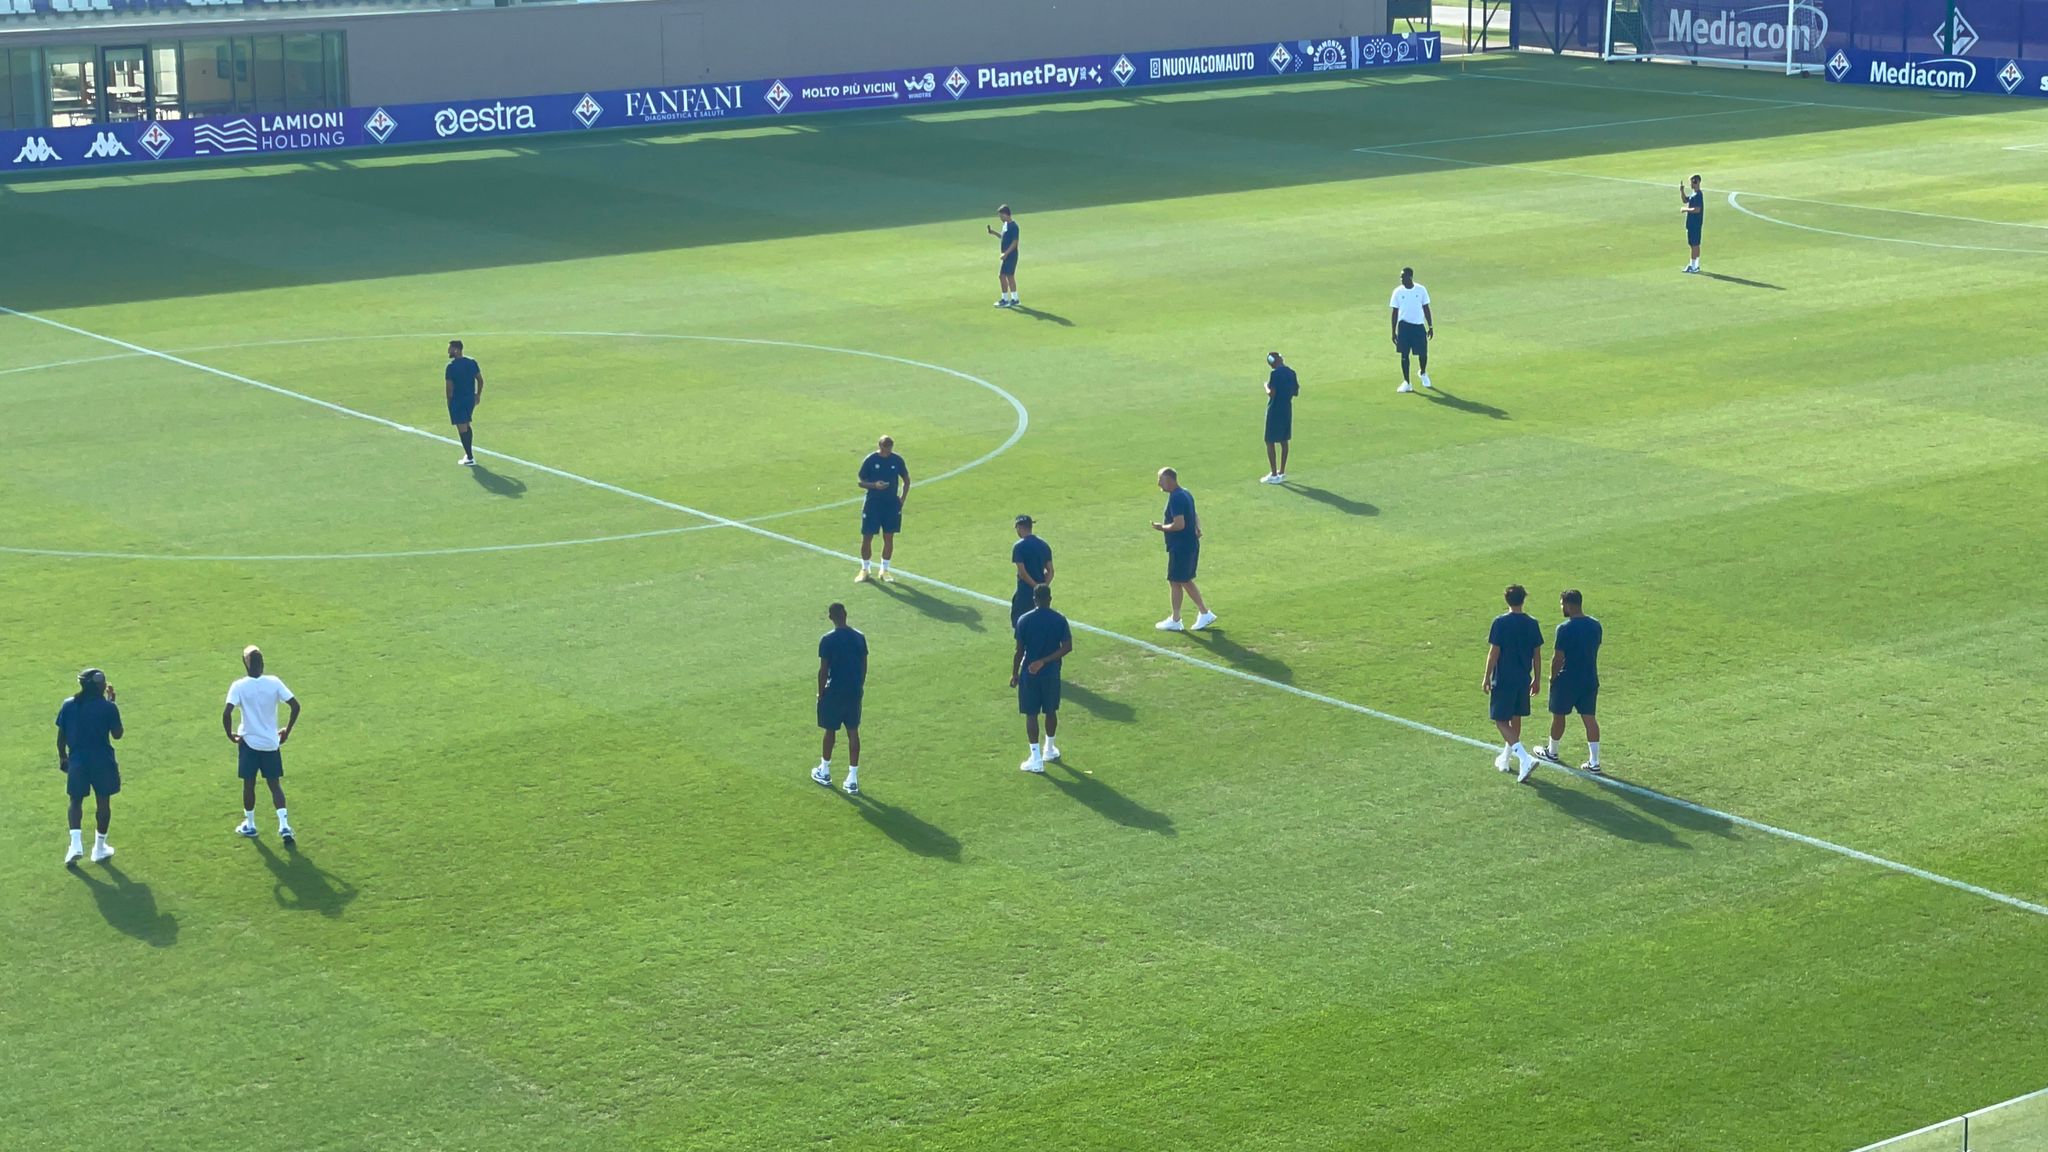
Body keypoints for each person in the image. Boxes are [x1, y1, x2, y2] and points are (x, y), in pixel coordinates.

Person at [224, 645, 302, 841]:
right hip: (271, 743)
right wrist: (286, 731)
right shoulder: (274, 682)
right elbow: (295, 706)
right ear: (262, 663)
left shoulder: (239, 686)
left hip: (249, 743)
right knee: (275, 785)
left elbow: (227, 713)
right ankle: (284, 826)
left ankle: (250, 825)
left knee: (249, 785)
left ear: (245, 664)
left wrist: (230, 735)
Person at [56, 668, 123, 867]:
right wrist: (112, 704)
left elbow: (61, 737)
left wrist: (63, 757)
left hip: (78, 760)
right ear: (100, 686)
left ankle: (75, 845)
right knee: (103, 802)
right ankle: (99, 848)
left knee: (75, 801)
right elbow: (117, 734)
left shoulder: (68, 705)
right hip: (102, 760)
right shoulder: (107, 707)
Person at [1534, 589, 1603, 772]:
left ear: (1568, 605)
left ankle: (1552, 751)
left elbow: (1558, 658)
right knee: (1589, 718)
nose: (1561, 607)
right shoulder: (1595, 625)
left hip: (1567, 680)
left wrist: (1552, 677)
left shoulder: (1564, 629)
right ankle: (1594, 761)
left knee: (1558, 716)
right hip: (1589, 678)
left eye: (1562, 604)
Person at [1483, 584, 1543, 782]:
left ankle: (1524, 758)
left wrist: (1486, 676)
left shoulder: (1500, 623)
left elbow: (1494, 653)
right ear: (1523, 599)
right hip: (1523, 678)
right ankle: (1506, 758)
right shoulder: (1532, 623)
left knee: (1500, 720)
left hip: (1504, 679)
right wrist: (1537, 678)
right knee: (1516, 717)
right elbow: (1537, 654)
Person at [1011, 584, 1073, 774]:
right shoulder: (1059, 619)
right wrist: (1045, 661)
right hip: (1051, 673)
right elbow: (1067, 647)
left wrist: (1015, 674)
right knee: (1050, 710)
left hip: (1029, 673)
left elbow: (1019, 651)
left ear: (1034, 599)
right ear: (1050, 599)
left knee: (1031, 714)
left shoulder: (1024, 620)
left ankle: (1036, 757)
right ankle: (1049, 749)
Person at [812, 602, 869, 795]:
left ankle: (825, 770)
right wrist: (859, 686)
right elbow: (864, 666)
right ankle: (852, 779)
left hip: (835, 691)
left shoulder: (827, 640)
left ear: (831, 617)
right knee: (853, 732)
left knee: (830, 730)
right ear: (846, 614)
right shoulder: (859, 637)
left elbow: (823, 670)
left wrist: (821, 693)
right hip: (854, 691)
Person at [1152, 467, 1215, 632]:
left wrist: (1161, 527)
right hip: (1188, 545)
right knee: (1179, 580)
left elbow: (1179, 524)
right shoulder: (1185, 493)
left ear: (1170, 480)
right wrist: (1198, 528)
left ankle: (1195, 615)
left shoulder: (1176, 498)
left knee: (1181, 581)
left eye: (1161, 480)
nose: (1159, 484)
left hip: (1181, 547)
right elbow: (1194, 514)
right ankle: (1182, 616)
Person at [854, 435, 910, 584]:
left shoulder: (897, 460)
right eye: (886, 447)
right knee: (867, 537)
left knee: (889, 537)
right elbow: (860, 481)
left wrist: (902, 499)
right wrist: (874, 485)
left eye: (890, 447)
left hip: (891, 505)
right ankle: (865, 569)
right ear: (880, 446)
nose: (888, 449)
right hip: (873, 504)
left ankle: (884, 570)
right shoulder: (871, 460)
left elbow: (906, 479)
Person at [1390, 267, 1434, 394]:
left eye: (1403, 277)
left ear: (1410, 277)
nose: (1401, 279)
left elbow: (1426, 308)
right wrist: (1393, 331)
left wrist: (1430, 326)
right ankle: (1407, 382)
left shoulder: (1421, 290)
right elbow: (1394, 312)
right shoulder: (1398, 292)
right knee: (1404, 355)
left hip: (1418, 326)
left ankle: (1423, 372)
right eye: (1401, 277)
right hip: (1404, 327)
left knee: (1423, 354)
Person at [1261, 351, 1299, 484]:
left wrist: (1266, 387)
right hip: (1287, 409)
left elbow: (1272, 393)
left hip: (1275, 410)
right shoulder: (1292, 373)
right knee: (1284, 441)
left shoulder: (1275, 374)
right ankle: (1282, 471)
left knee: (1269, 441)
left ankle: (1274, 473)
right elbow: (1295, 392)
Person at [1010, 515, 1054, 627]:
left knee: (1020, 624)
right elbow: (1050, 571)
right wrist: (1042, 587)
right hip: (1041, 597)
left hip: (1024, 593)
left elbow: (1023, 573)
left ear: (1019, 527)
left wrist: (1036, 587)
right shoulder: (1044, 545)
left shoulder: (1019, 546)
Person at [446, 339, 484, 466]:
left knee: (462, 429)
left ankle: (470, 457)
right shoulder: (471, 363)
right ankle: (468, 454)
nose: (448, 351)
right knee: (466, 425)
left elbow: (449, 388)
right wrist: (478, 395)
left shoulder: (451, 367)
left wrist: (449, 402)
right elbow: (480, 380)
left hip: (458, 401)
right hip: (470, 400)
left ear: (456, 350)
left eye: (450, 349)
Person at [987, 204, 1020, 308]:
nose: (1000, 218)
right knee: (1009, 276)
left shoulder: (1014, 226)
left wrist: (1006, 253)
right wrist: (993, 233)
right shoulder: (1006, 225)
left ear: (1006, 214)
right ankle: (1014, 299)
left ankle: (1006, 299)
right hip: (1008, 255)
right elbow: (1003, 237)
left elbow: (1015, 242)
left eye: (1001, 216)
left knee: (1003, 276)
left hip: (1011, 255)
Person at [1681, 174, 1704, 274]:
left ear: (1696, 182)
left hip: (1695, 224)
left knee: (1694, 245)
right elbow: (1685, 200)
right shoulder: (1694, 194)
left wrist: (1685, 209)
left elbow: (1697, 209)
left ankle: (1693, 266)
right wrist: (1682, 191)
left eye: (1691, 182)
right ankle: (1695, 265)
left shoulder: (1698, 195)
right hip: (1692, 224)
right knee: (1695, 244)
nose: (1690, 184)